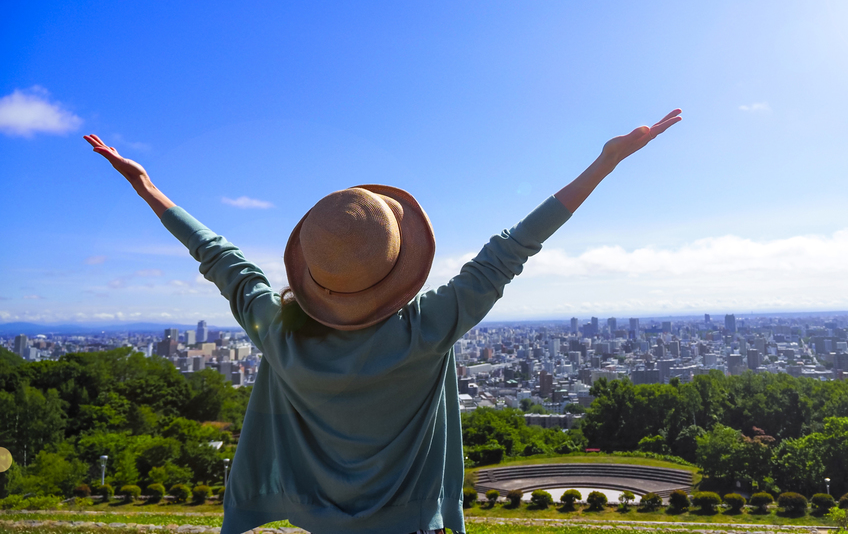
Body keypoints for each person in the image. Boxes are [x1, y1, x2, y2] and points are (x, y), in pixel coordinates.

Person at [84, 108, 681, 534]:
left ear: (315, 273)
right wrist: (605, 162)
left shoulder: (279, 334)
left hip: (318, 521)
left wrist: (148, 187)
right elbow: (511, 249)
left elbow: (220, 258)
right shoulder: (424, 331)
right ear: (400, 266)